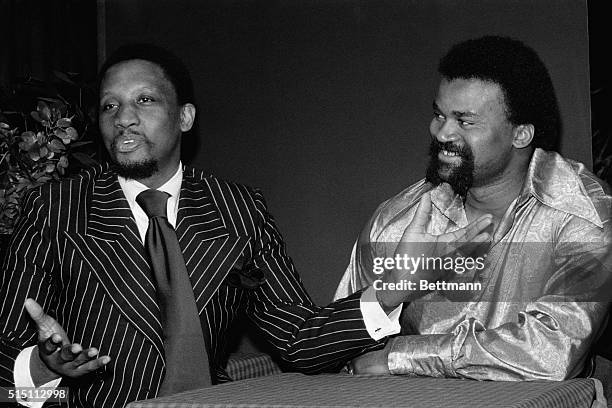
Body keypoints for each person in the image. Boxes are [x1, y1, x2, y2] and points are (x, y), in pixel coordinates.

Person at [0, 44, 490, 407]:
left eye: (144, 101)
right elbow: (4, 352)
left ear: (185, 117)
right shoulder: (55, 208)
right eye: (110, 105)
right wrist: (43, 366)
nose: (123, 118)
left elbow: (297, 336)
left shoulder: (239, 210)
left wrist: (390, 291)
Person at [334, 35, 612, 381]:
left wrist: (401, 356)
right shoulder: (395, 222)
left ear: (521, 134)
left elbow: (552, 353)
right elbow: (341, 345)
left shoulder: (581, 214)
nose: (442, 133)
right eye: (439, 115)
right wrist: (393, 291)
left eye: (465, 121)